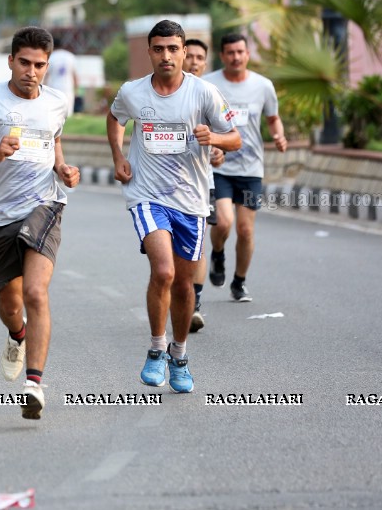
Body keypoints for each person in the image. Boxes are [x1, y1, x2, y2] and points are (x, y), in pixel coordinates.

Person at [0, 26, 80, 420]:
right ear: (10, 61)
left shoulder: (57, 103)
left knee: (36, 294)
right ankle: (16, 334)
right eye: (24, 62)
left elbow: (54, 139)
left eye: (40, 65)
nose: (31, 71)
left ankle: (34, 384)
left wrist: (63, 169)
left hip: (44, 205)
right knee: (11, 304)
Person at [108, 20, 240, 393]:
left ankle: (179, 356)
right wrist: (118, 155)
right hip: (147, 195)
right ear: (149, 52)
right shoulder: (133, 93)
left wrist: (213, 136)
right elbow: (114, 119)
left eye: (173, 49)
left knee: (184, 284)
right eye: (158, 49)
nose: (166, 56)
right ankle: (156, 348)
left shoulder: (204, 93)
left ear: (184, 52)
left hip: (191, 200)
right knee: (163, 271)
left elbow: (236, 138)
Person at [203, 33, 287, 303]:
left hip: (251, 170)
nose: (236, 57)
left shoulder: (263, 86)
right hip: (220, 167)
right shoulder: (209, 84)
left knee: (246, 229)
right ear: (222, 55)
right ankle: (217, 252)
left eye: (240, 52)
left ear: (247, 54)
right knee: (224, 221)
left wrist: (278, 135)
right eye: (230, 52)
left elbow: (273, 119)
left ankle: (239, 282)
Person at [182, 39, 224, 332]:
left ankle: (193, 304)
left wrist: (218, 147)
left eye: (200, 57)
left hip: (200, 183)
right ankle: (176, 296)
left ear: (205, 63)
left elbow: (228, 136)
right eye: (190, 56)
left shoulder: (209, 94)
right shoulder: (155, 92)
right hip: (160, 187)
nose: (194, 62)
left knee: (197, 244)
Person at [44, 35, 79, 117]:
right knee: (68, 113)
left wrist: (43, 89)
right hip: (68, 88)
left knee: (53, 113)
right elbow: (75, 76)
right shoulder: (71, 56)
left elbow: (46, 75)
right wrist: (76, 90)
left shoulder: (51, 57)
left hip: (53, 88)